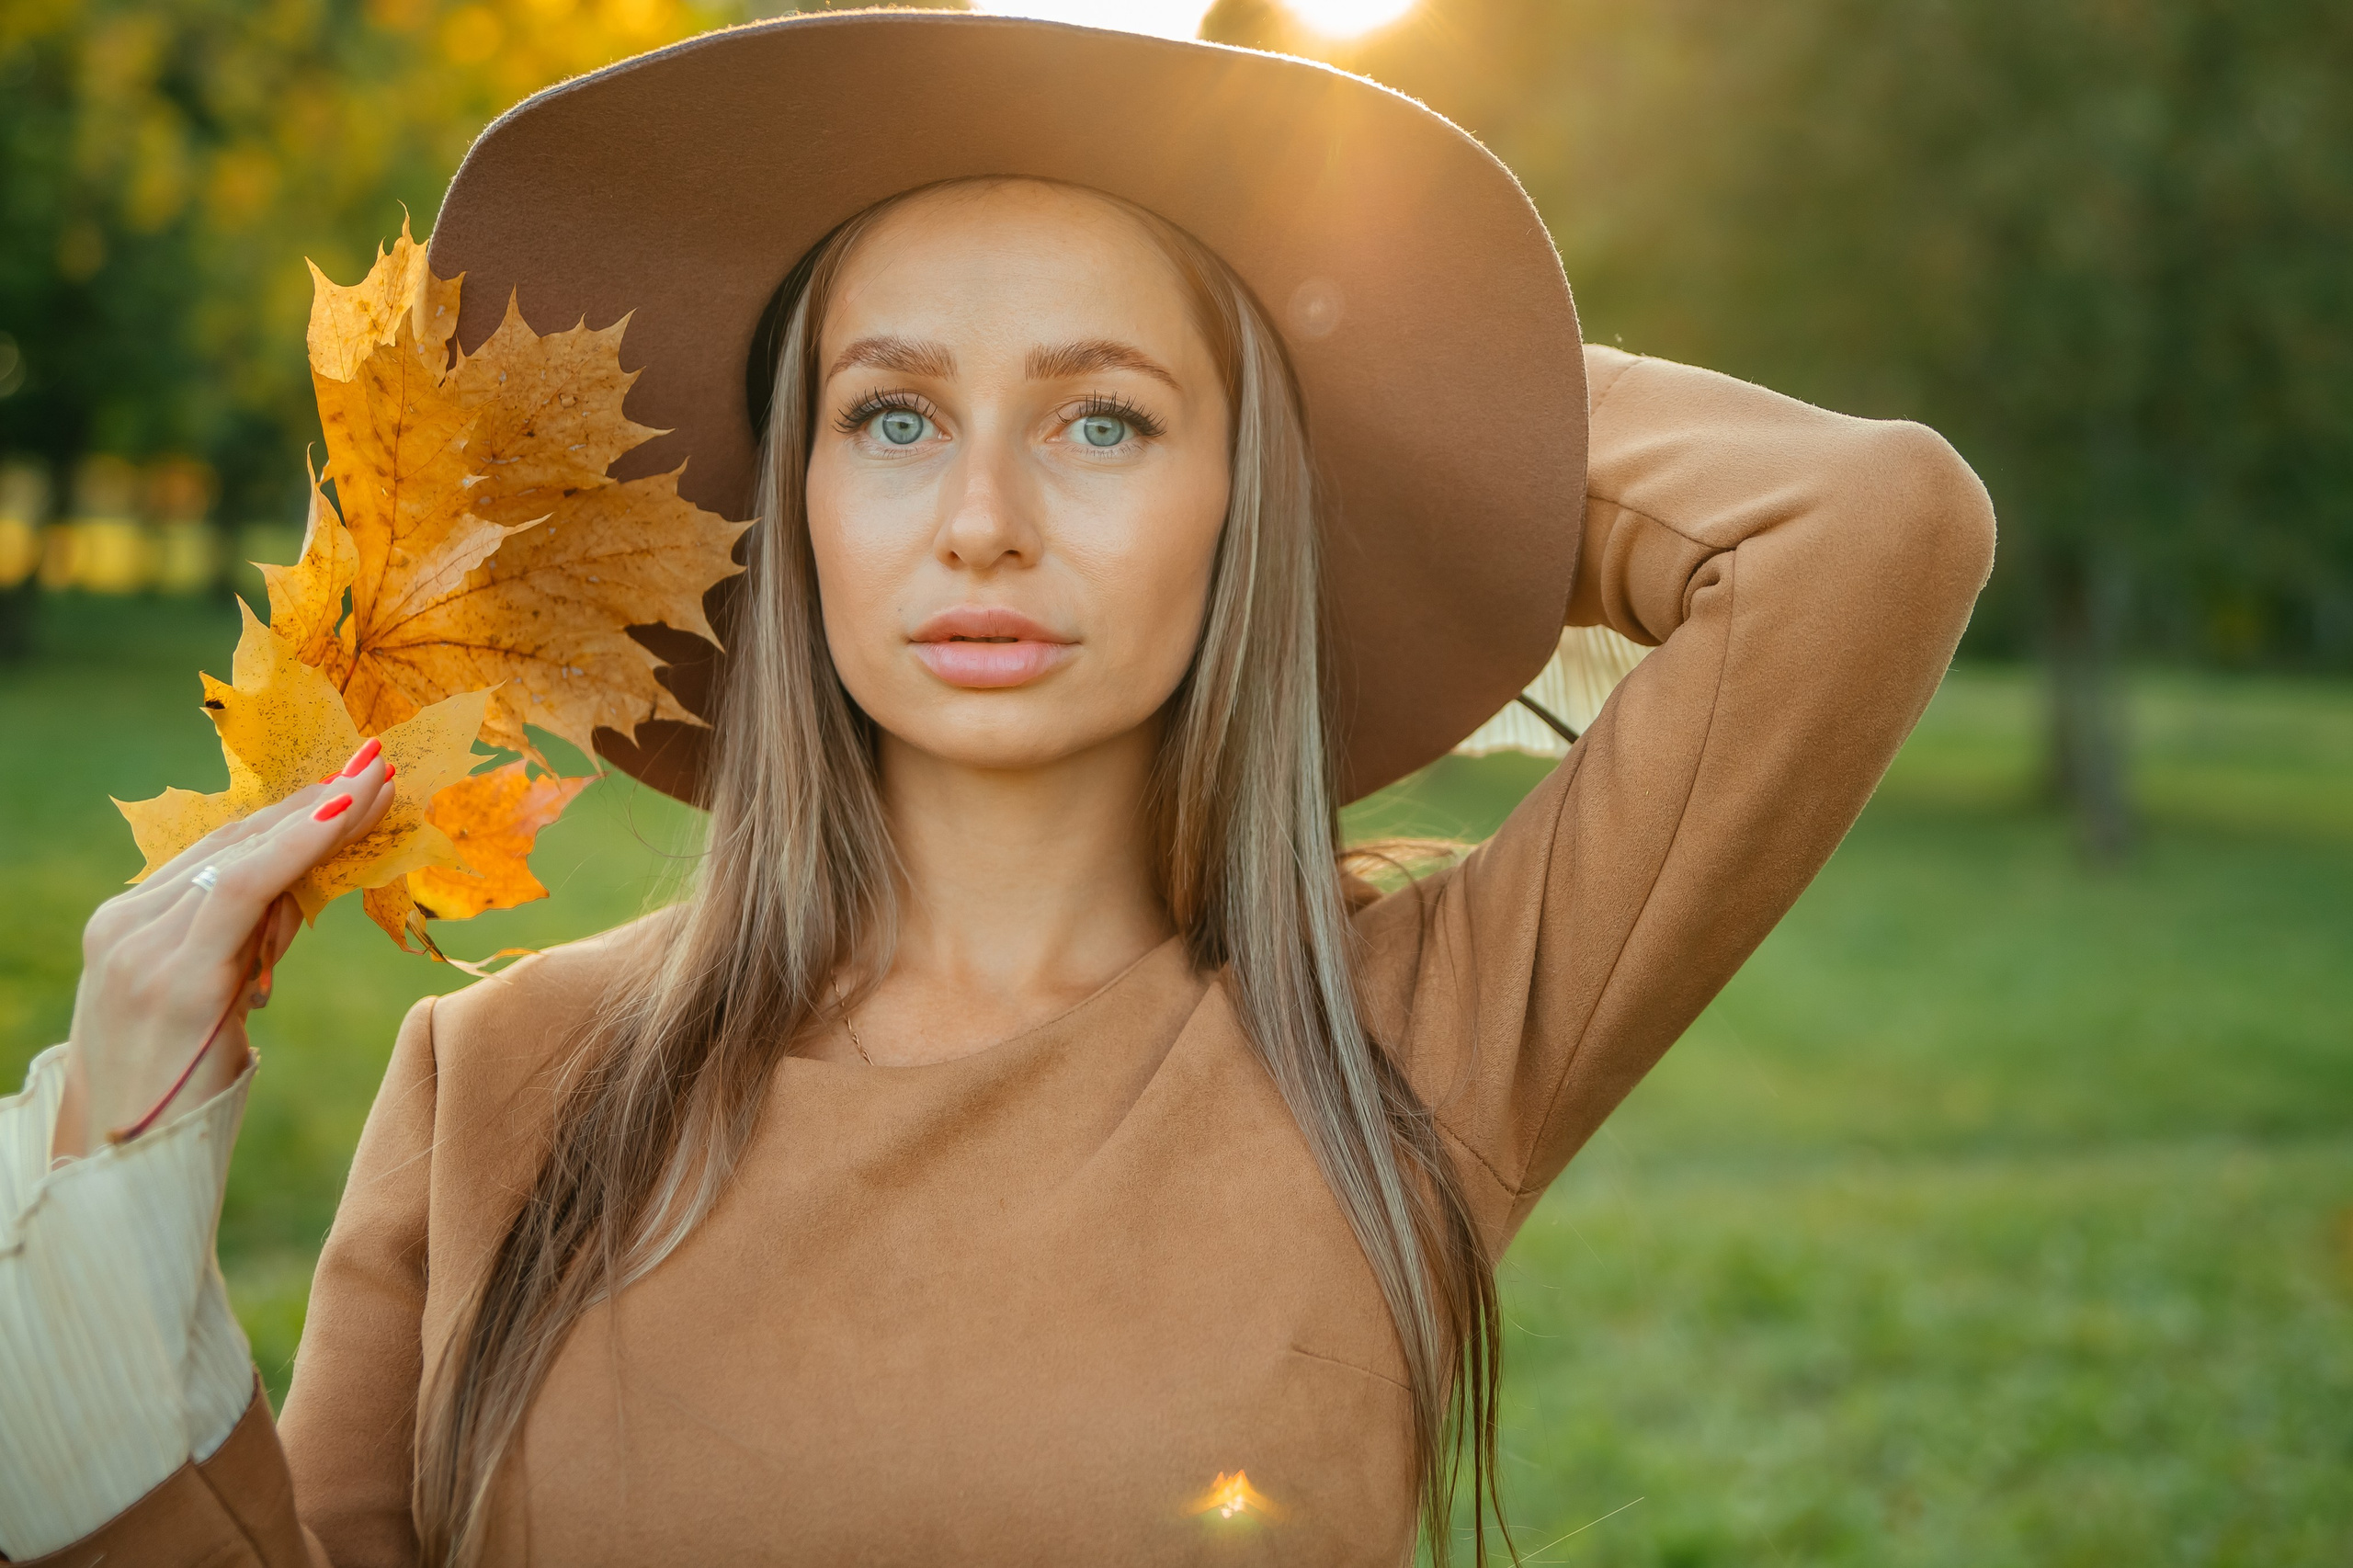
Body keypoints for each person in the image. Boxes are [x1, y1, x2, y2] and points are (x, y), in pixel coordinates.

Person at [0, 13, 1995, 1567]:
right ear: (783, 502)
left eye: (1103, 420)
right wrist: (123, 1184)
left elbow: (1859, 526)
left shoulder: (1408, 1038)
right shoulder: (499, 1080)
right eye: (890, 416)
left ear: (1245, 492)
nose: (977, 520)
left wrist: (1395, 401)